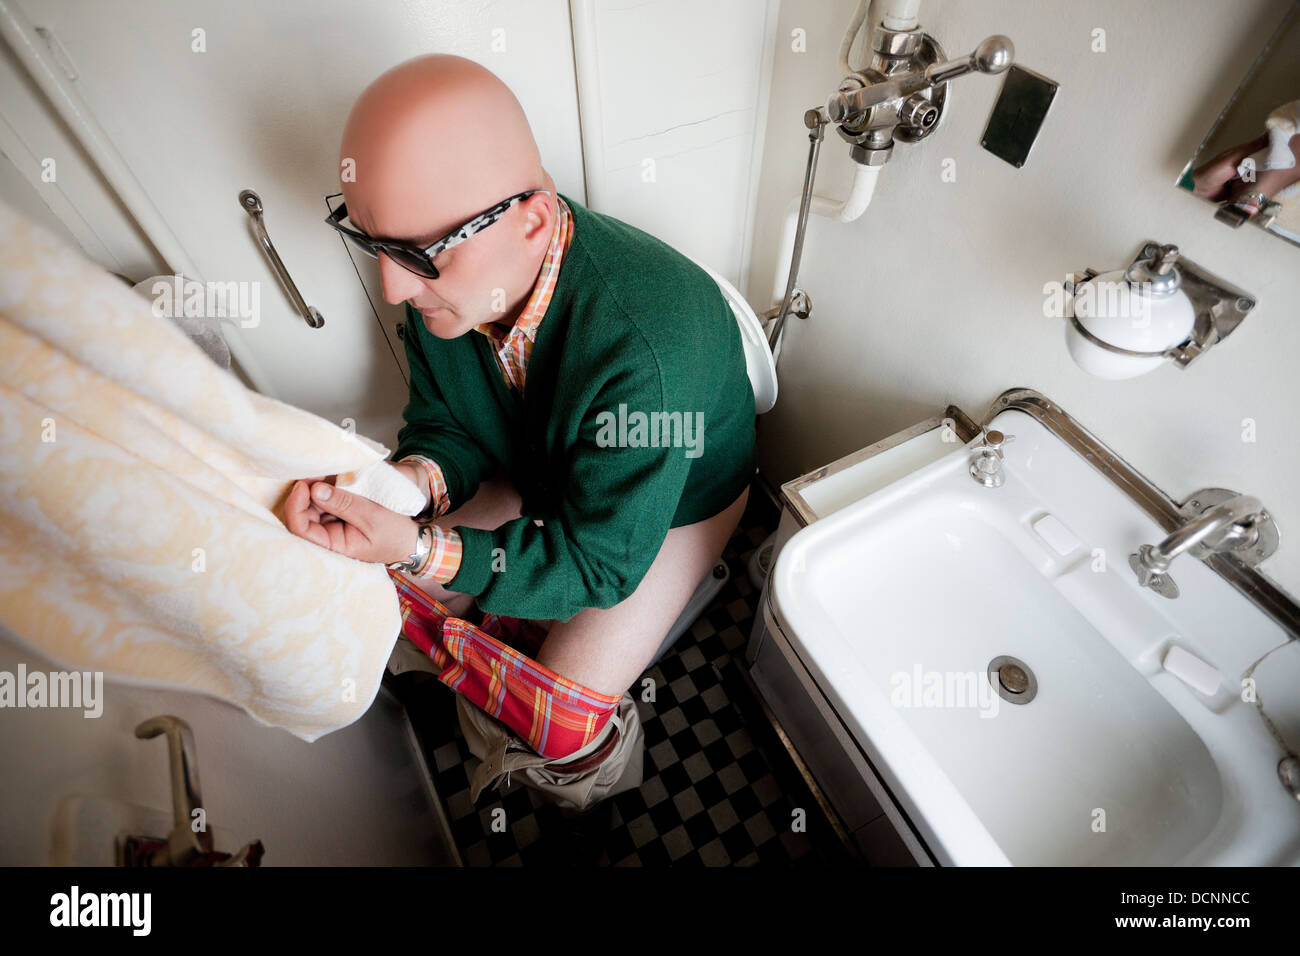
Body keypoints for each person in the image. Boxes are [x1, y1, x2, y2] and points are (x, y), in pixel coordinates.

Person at [283, 54, 755, 750]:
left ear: (532, 221)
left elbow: (599, 563)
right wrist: (406, 485)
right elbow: (449, 421)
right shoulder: (445, 284)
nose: (393, 289)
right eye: (372, 244)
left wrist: (421, 545)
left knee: (556, 728)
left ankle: (554, 759)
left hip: (672, 503)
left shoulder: (649, 354)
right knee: (377, 580)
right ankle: (489, 633)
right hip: (541, 465)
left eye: (419, 254)